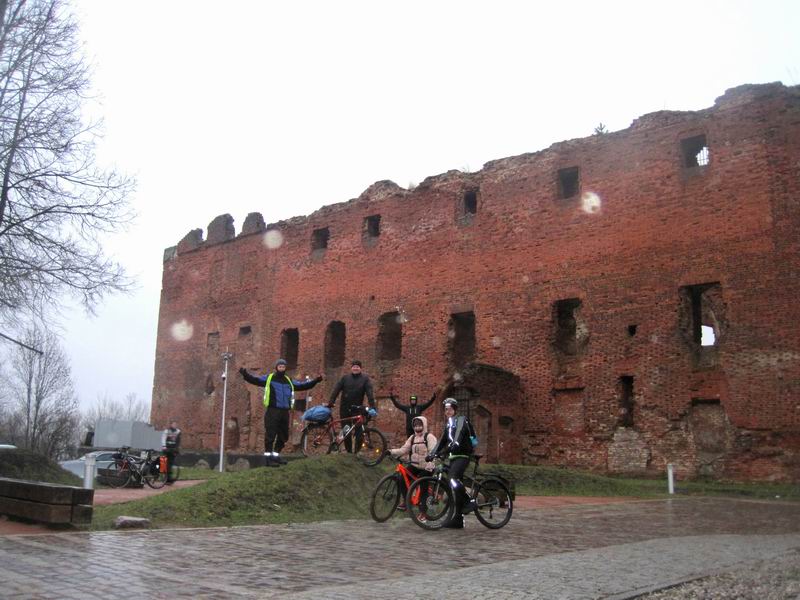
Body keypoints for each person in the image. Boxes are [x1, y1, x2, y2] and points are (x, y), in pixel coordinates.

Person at [240, 359, 322, 466]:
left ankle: (275, 455)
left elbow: (302, 385)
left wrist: (315, 381)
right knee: (270, 435)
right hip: (272, 411)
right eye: (280, 367)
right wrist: (245, 374)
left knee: (284, 435)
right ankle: (268, 460)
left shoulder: (288, 380)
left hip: (284, 412)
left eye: (283, 367)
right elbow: (255, 380)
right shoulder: (269, 378)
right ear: (276, 367)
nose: (282, 368)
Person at [427, 397, 477, 528]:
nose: (447, 411)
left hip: (463, 455)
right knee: (455, 487)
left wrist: (453, 445)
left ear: (454, 409)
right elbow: (442, 441)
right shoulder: (449, 424)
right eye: (445, 409)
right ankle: (458, 520)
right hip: (454, 456)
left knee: (453, 479)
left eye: (449, 409)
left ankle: (469, 501)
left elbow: (458, 437)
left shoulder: (461, 420)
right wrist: (432, 454)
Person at [388, 416, 437, 509]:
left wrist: (430, 464)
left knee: (422, 484)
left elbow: (433, 452)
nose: (417, 428)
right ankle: (407, 501)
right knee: (401, 478)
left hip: (427, 467)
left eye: (420, 426)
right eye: (415, 426)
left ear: (424, 425)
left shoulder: (430, 437)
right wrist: (391, 451)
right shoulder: (412, 437)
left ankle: (423, 510)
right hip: (415, 465)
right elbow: (403, 450)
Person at [327, 360, 376, 453]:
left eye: (357, 366)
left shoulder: (365, 379)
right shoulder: (345, 378)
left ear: (361, 368)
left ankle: (356, 453)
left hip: (357, 409)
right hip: (345, 409)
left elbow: (369, 393)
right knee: (346, 432)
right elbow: (336, 390)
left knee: (359, 433)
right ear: (351, 368)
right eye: (354, 366)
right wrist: (331, 402)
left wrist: (372, 406)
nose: (355, 368)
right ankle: (349, 453)